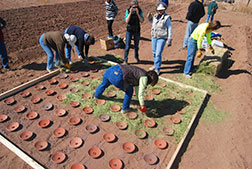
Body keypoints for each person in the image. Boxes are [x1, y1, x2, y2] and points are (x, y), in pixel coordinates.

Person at [94, 64, 158, 113]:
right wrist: (142, 105)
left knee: (104, 84)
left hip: (110, 70)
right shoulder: (144, 77)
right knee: (129, 91)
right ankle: (125, 109)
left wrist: (138, 100)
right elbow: (141, 92)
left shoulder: (140, 72)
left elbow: (137, 88)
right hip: (118, 75)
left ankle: (96, 96)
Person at [147, 2, 172, 75]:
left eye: (162, 10)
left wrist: (169, 39)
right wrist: (150, 18)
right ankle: (155, 65)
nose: (160, 11)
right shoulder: (155, 16)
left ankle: (157, 69)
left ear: (164, 10)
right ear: (157, 10)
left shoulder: (167, 18)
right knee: (154, 53)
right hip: (154, 36)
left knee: (158, 54)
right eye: (159, 10)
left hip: (162, 37)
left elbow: (169, 28)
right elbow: (153, 23)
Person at [124, 0, 144, 64]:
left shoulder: (140, 11)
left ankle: (137, 57)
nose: (135, 9)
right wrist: (130, 13)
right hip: (129, 30)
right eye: (133, 7)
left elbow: (141, 20)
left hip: (137, 30)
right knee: (127, 46)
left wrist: (138, 14)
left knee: (136, 46)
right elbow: (126, 21)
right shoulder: (128, 10)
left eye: (136, 7)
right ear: (131, 6)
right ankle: (125, 59)